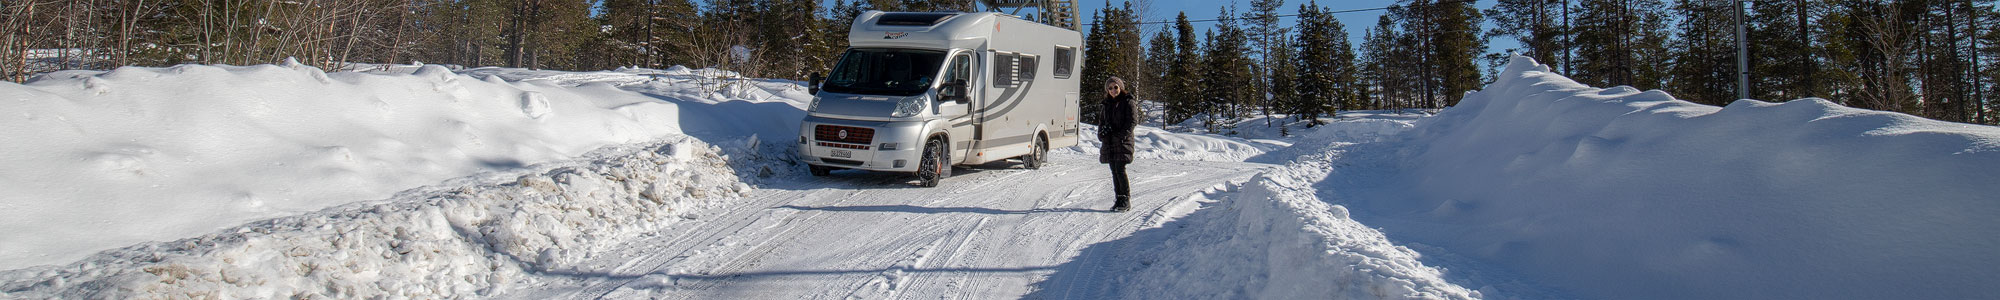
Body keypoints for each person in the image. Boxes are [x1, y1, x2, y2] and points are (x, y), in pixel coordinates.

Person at [1098, 77, 1140, 212]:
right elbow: (1101, 122)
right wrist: (1102, 134)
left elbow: (1132, 121)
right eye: (1110, 88)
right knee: (1114, 170)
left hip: (1122, 141)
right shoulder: (1106, 104)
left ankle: (1125, 199)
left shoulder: (1128, 101)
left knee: (1120, 169)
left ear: (1120, 87)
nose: (1113, 90)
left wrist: (1121, 135)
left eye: (1115, 87)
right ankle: (1119, 199)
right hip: (1110, 141)